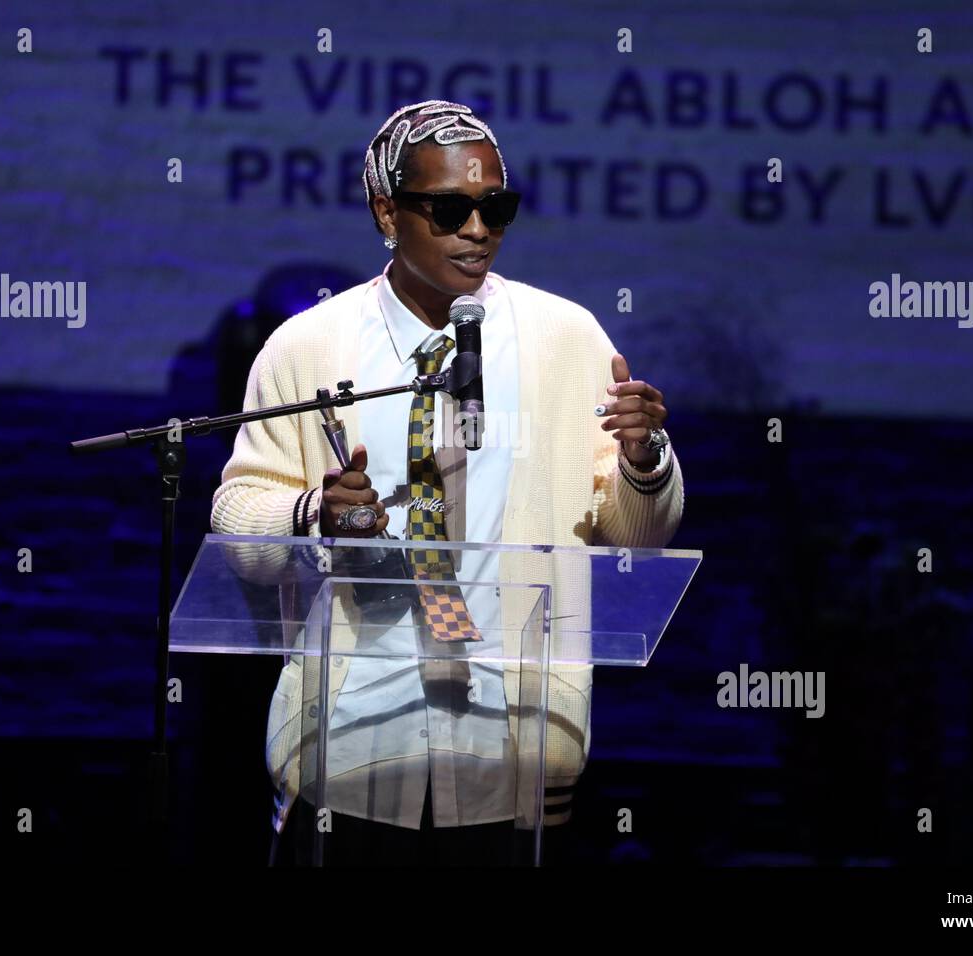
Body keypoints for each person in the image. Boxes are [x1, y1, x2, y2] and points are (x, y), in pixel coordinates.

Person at [211, 99, 684, 865]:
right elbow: (239, 525)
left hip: (516, 758)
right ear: (385, 211)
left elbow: (636, 536)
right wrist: (310, 515)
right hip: (345, 753)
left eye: (496, 206)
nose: (478, 229)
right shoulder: (306, 346)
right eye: (450, 208)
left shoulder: (567, 339)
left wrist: (644, 462)